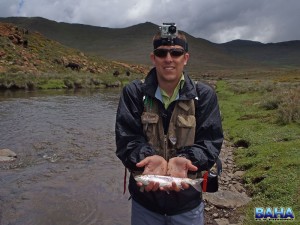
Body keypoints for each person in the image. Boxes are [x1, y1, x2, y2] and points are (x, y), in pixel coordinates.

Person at [115, 23, 223, 225]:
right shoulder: (134, 93)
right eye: (161, 52)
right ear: (153, 58)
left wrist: (186, 160)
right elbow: (125, 140)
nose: (168, 59)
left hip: (187, 203)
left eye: (176, 52)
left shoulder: (204, 95)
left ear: (186, 58)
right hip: (144, 203)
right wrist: (148, 159)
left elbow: (211, 143)